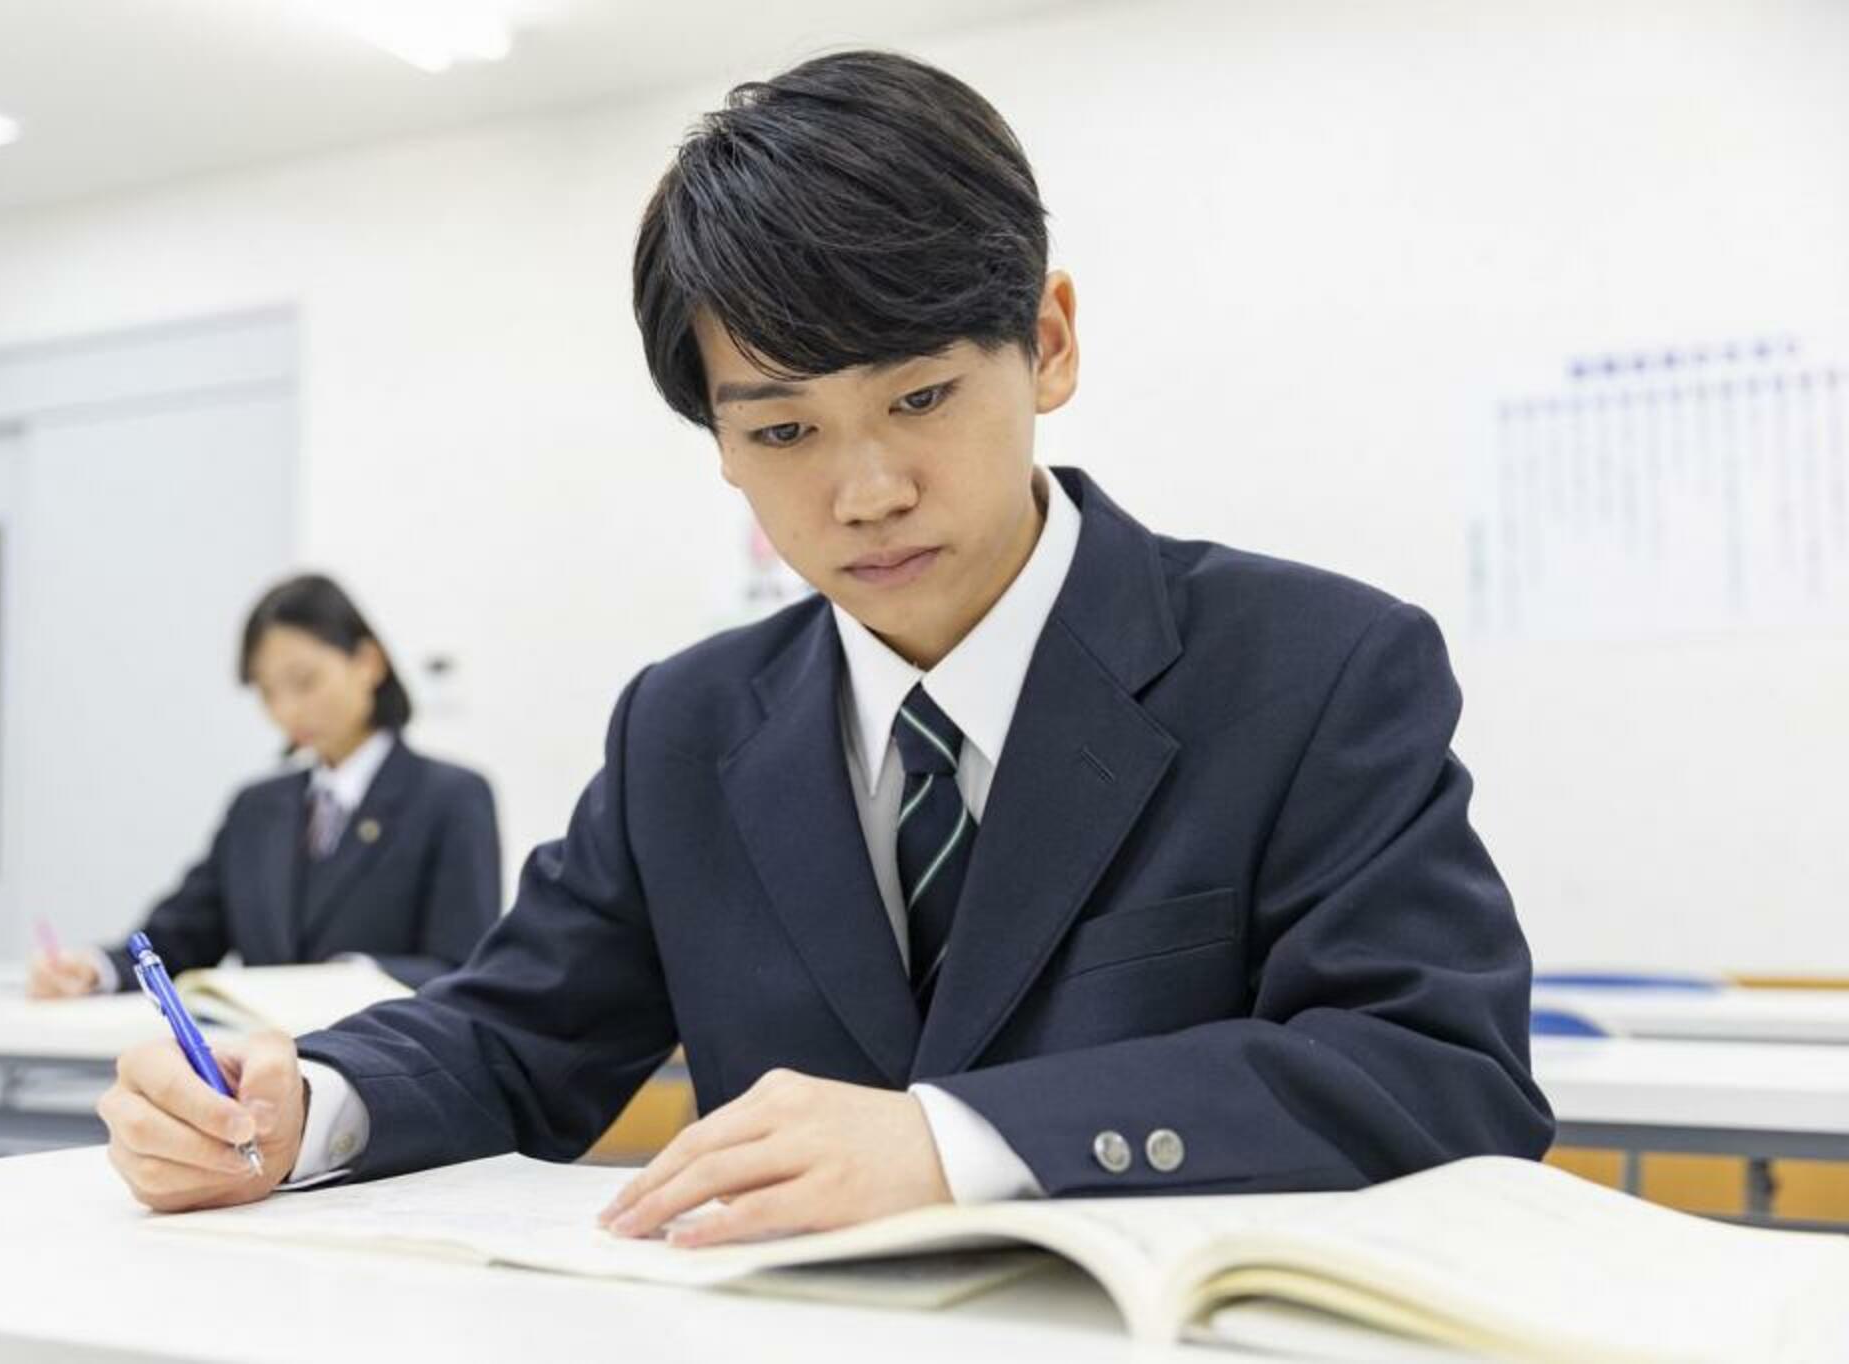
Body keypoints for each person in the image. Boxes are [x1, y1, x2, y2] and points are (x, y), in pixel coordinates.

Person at [95, 51, 1552, 1236]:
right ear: (720, 444)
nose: (865, 492)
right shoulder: (689, 726)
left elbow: (1435, 1075)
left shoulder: (1313, 668)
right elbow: (514, 1031)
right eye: (783, 429)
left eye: (919, 399)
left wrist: (954, 1143)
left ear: (1046, 341)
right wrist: (304, 1108)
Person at [29, 573, 500, 996]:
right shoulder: (257, 808)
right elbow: (181, 937)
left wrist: (353, 979)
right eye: (267, 692)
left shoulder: (450, 797)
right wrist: (97, 969)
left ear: (368, 663)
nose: (287, 711)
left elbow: (462, 969)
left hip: (384, 1072)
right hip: (256, 1077)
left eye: (305, 681)